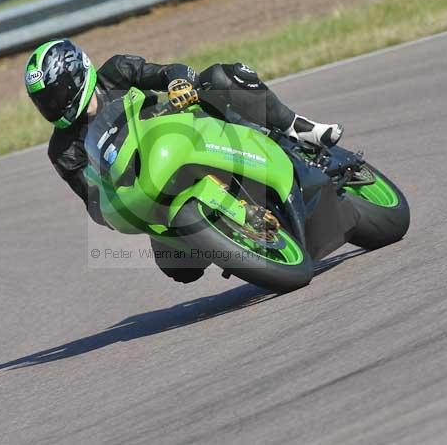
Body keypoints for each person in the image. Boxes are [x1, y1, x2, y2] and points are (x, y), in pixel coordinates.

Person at [24, 39, 343, 283]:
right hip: (150, 188)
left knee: (221, 76)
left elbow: (168, 72)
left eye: (56, 94)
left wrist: (178, 83)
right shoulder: (63, 150)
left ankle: (298, 128)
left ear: (77, 75)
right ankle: (234, 236)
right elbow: (95, 205)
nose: (52, 106)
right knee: (180, 269)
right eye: (44, 102)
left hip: (184, 132)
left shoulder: (116, 72)